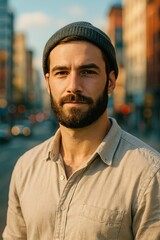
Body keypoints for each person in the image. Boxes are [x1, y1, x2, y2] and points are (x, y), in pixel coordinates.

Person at [3, 21, 160, 240]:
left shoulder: (149, 174)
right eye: (61, 73)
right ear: (48, 83)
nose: (73, 86)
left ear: (111, 82)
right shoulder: (25, 167)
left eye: (87, 71)